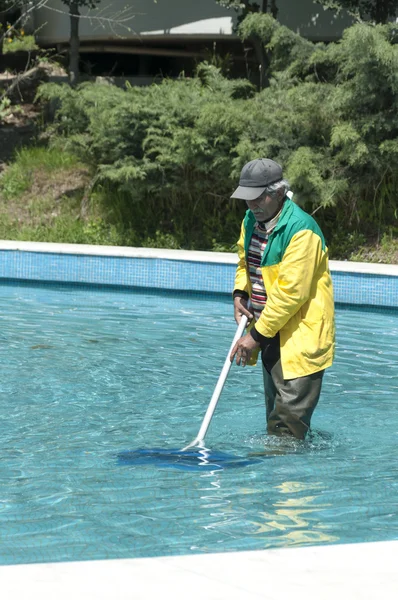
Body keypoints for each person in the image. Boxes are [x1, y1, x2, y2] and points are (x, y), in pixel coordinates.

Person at [229, 158, 335, 440]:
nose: (251, 205)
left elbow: (291, 295)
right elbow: (244, 260)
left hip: (299, 338)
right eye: (246, 198)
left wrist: (255, 336)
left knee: (286, 430)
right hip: (269, 335)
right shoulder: (252, 219)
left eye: (257, 198)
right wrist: (241, 293)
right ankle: (275, 476)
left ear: (277, 192)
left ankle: (288, 480)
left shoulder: (302, 230)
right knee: (276, 422)